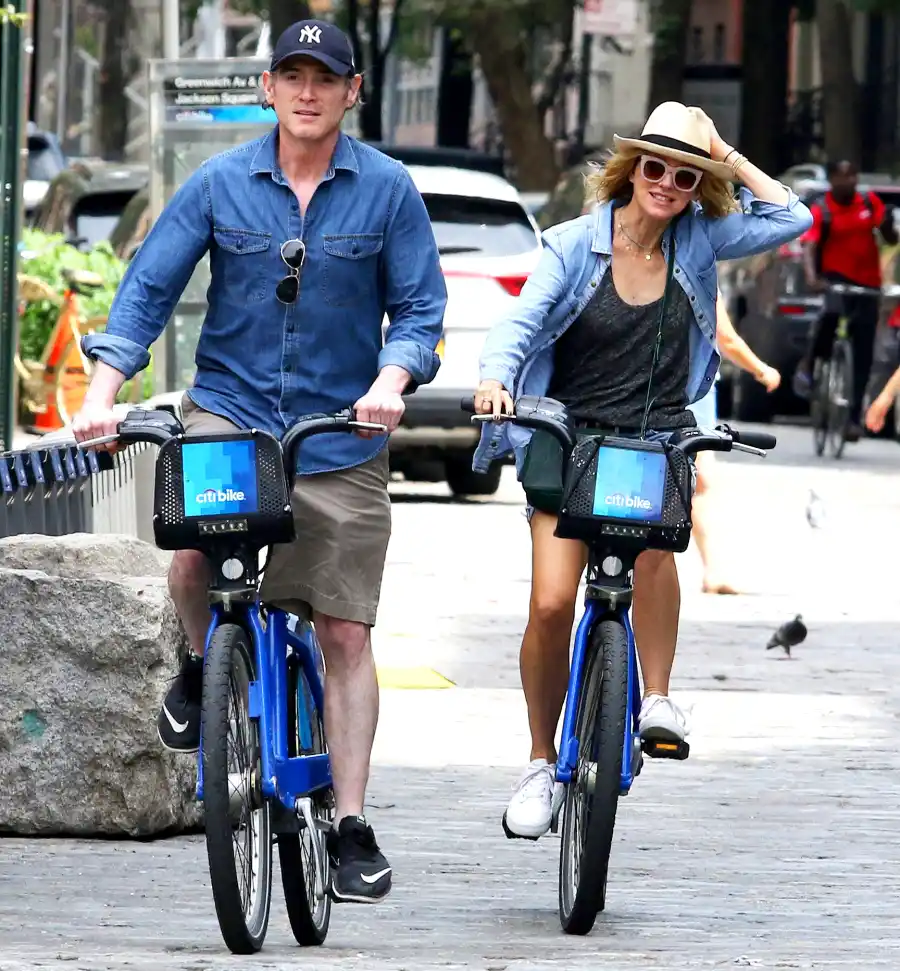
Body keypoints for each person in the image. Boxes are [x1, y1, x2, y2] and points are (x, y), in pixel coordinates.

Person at [71, 20, 447, 903]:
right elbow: (147, 293)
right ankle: (208, 669)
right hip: (231, 416)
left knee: (346, 629)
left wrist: (392, 379)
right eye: (291, 75)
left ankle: (351, 823)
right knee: (192, 554)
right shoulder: (219, 183)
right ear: (268, 88)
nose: (307, 91)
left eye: (325, 77)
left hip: (338, 435)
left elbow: (423, 313)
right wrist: (97, 397)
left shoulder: (389, 192)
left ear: (353, 92)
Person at [471, 102, 812, 840]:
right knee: (553, 603)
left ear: (697, 186)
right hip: (568, 436)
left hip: (654, 435)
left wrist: (724, 150)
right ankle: (538, 759)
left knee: (657, 547)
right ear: (631, 170)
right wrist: (498, 379)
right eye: (655, 166)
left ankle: (656, 697)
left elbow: (793, 218)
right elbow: (519, 325)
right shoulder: (570, 246)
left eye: (685, 174)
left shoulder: (699, 239)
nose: (666, 182)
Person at [793, 160, 898, 441]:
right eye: (842, 177)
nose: (849, 182)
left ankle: (853, 420)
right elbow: (810, 246)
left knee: (864, 350)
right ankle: (811, 365)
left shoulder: (868, 201)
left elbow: (889, 237)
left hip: (868, 283)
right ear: (831, 181)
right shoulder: (823, 209)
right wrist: (813, 278)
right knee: (829, 316)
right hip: (834, 278)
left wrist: (887, 223)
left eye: (852, 175)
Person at [688, 292, 781, 595]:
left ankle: (712, 569)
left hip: (669, 389)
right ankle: (712, 570)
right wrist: (761, 369)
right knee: (699, 483)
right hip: (689, 391)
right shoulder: (697, 267)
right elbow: (725, 337)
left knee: (688, 481)